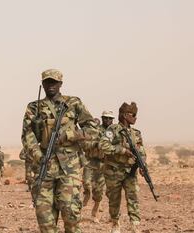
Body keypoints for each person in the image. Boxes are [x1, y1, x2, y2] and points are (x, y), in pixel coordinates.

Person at [21, 69, 99, 233]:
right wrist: (39, 156)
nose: (51, 86)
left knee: (71, 215)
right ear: (42, 84)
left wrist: (70, 135)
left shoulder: (73, 103)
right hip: (43, 166)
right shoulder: (34, 107)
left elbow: (93, 129)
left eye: (54, 82)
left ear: (60, 84)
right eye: (47, 82)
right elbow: (27, 135)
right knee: (44, 218)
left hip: (69, 167)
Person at [99, 102, 146, 233]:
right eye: (133, 115)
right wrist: (121, 150)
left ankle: (135, 225)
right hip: (113, 171)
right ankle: (115, 223)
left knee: (133, 197)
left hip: (130, 171)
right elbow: (103, 145)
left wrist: (143, 165)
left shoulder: (136, 133)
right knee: (114, 199)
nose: (135, 118)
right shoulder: (112, 130)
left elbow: (142, 152)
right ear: (125, 115)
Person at [82, 111, 115, 223]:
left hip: (103, 163)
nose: (107, 120)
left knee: (98, 191)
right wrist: (95, 144)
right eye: (105, 118)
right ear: (102, 118)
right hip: (91, 161)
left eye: (110, 118)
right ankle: (86, 194)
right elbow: (85, 144)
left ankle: (94, 213)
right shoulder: (94, 130)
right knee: (86, 182)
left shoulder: (113, 133)